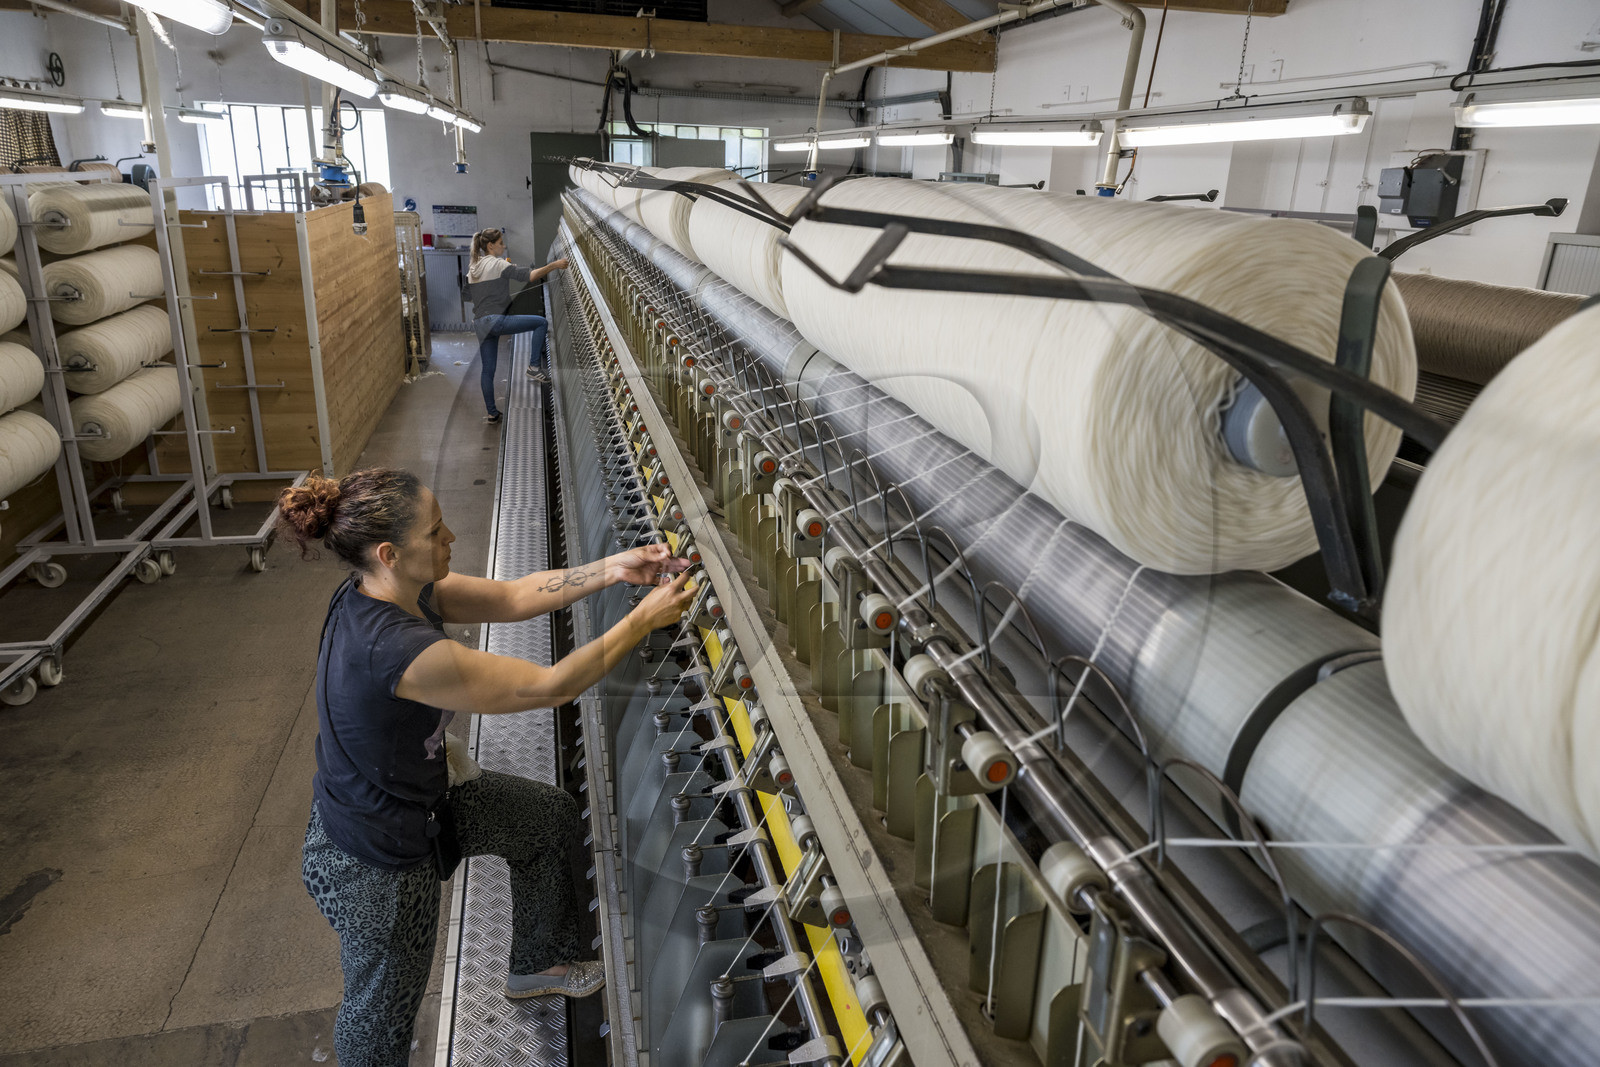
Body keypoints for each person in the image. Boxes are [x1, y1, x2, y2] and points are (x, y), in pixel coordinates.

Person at [277, 468, 694, 1067]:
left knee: (543, 818)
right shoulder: (396, 649)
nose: (451, 538)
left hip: (417, 800)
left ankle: (537, 964)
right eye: (436, 531)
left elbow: (514, 596)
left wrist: (613, 569)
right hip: (377, 862)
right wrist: (641, 620)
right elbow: (551, 686)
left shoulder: (395, 588)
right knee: (381, 1015)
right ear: (390, 553)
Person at [467, 228, 568, 422]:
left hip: (479, 323)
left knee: (488, 370)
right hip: (495, 321)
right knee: (540, 323)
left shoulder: (474, 267)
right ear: (490, 246)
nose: (503, 247)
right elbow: (530, 276)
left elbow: (471, 295)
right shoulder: (497, 264)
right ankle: (533, 367)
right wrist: (554, 265)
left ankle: (492, 413)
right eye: (500, 243)